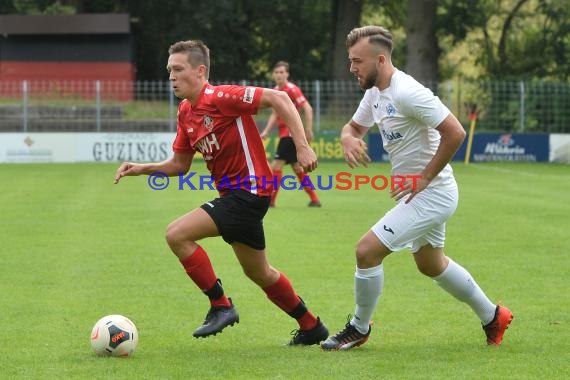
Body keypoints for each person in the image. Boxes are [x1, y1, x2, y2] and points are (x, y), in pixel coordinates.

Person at [114, 40, 328, 345]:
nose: (171, 76)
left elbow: (280, 98)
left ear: (200, 71)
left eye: (178, 69)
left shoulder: (222, 96)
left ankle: (221, 305)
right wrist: (142, 168)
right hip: (238, 199)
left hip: (250, 192)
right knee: (261, 273)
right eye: (169, 70)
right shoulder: (186, 111)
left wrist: (303, 146)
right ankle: (311, 326)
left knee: (177, 234)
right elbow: (179, 164)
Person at [320, 26, 513, 350]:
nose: (352, 68)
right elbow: (353, 127)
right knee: (430, 264)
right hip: (423, 193)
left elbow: (456, 132)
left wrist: (423, 178)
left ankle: (358, 328)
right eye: (350, 61)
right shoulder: (375, 92)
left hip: (433, 192)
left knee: (366, 251)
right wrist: (347, 138)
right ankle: (493, 316)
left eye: (357, 61)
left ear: (380, 60)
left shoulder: (408, 92)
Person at [260, 61, 322, 208]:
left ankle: (271, 201)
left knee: (276, 166)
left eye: (282, 72)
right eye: (277, 72)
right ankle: (314, 199)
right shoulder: (275, 90)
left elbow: (308, 108)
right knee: (298, 168)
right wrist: (267, 131)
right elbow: (275, 115)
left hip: (290, 134)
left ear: (287, 74)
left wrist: (308, 129)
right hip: (286, 135)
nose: (279, 75)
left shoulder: (292, 89)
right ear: (273, 75)